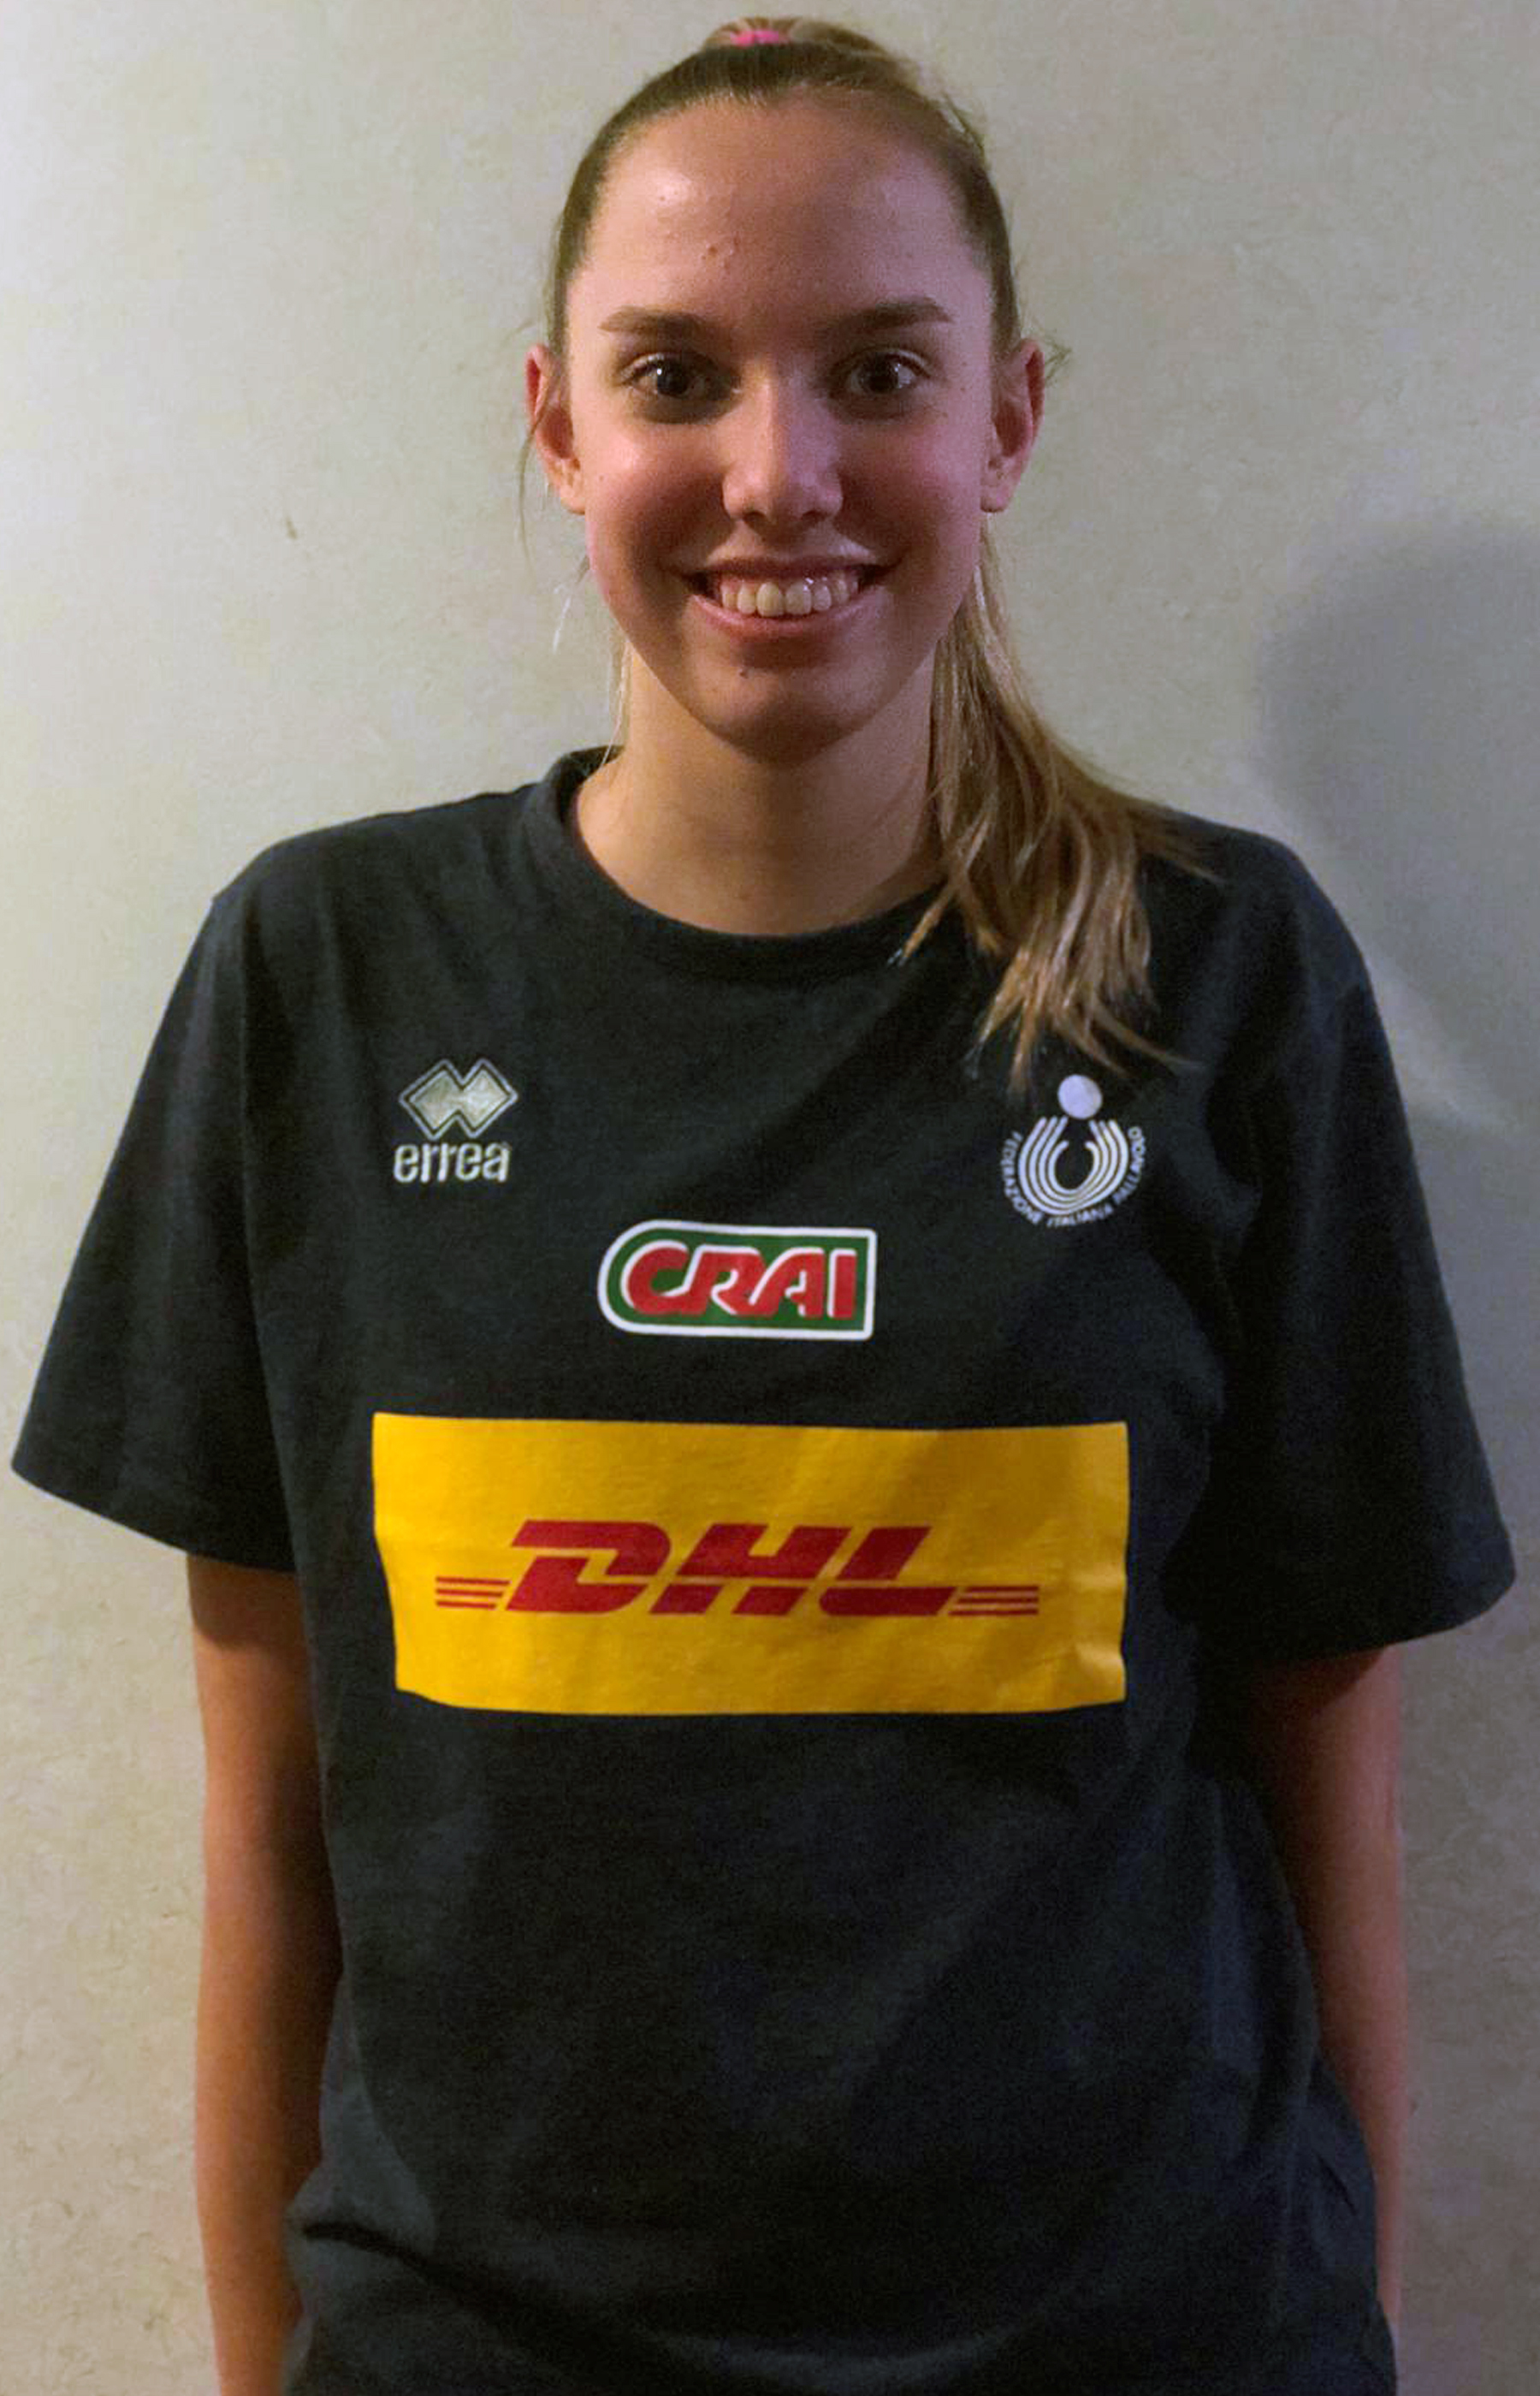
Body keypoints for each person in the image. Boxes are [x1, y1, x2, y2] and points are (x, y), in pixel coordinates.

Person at [11, 17, 1514, 2396]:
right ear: (557, 424)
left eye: (880, 371)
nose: (778, 472)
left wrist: (1356, 2332)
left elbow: (1335, 1772)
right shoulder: (323, 977)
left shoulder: (1219, 982)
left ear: (1007, 417)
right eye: (677, 374)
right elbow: (272, 1837)